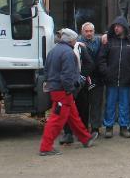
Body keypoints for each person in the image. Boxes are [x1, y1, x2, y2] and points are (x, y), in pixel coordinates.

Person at [39, 28, 98, 156]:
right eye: (75, 39)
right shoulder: (68, 53)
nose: (76, 41)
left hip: (56, 89)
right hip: (63, 91)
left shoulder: (53, 51)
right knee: (57, 120)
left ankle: (85, 139)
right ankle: (46, 147)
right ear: (70, 40)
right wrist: (70, 89)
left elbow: (46, 70)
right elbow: (67, 75)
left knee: (73, 116)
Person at [97, 16, 130, 139]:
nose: (116, 28)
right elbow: (101, 59)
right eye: (114, 26)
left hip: (126, 80)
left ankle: (124, 128)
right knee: (110, 104)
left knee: (125, 104)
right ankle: (109, 128)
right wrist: (106, 72)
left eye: (118, 26)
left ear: (124, 27)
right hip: (111, 80)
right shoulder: (108, 41)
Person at [59, 38, 95, 144]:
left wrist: (82, 77)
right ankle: (68, 133)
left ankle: (83, 133)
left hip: (80, 84)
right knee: (67, 110)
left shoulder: (80, 47)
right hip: (66, 84)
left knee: (83, 108)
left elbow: (90, 63)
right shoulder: (59, 49)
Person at [78, 22, 103, 136]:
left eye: (90, 31)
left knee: (96, 103)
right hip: (83, 78)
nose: (88, 33)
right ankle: (83, 128)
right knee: (83, 104)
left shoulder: (100, 41)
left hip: (97, 77)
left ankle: (95, 128)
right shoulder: (77, 42)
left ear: (94, 31)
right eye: (86, 31)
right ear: (82, 31)